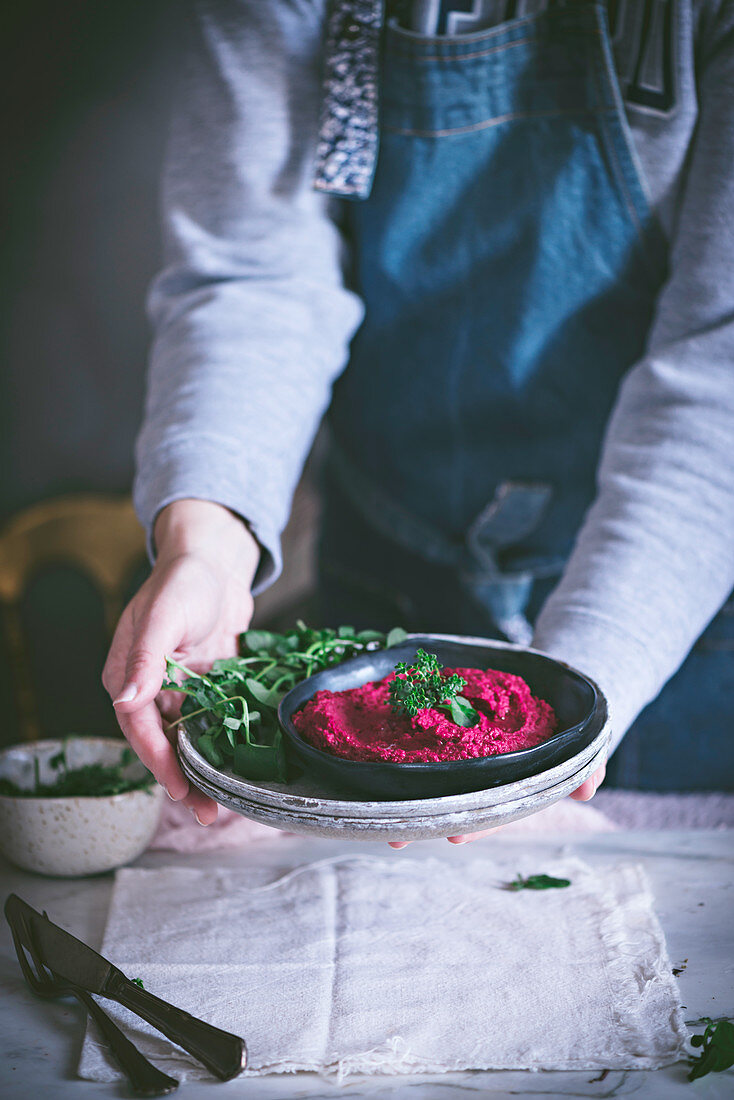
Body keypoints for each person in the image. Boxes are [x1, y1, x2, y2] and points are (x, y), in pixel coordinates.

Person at [103, 0, 734, 839]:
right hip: (388, 575)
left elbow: (717, 370)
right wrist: (207, 547)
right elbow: (256, 278)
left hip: (664, 609)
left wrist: (575, 694)